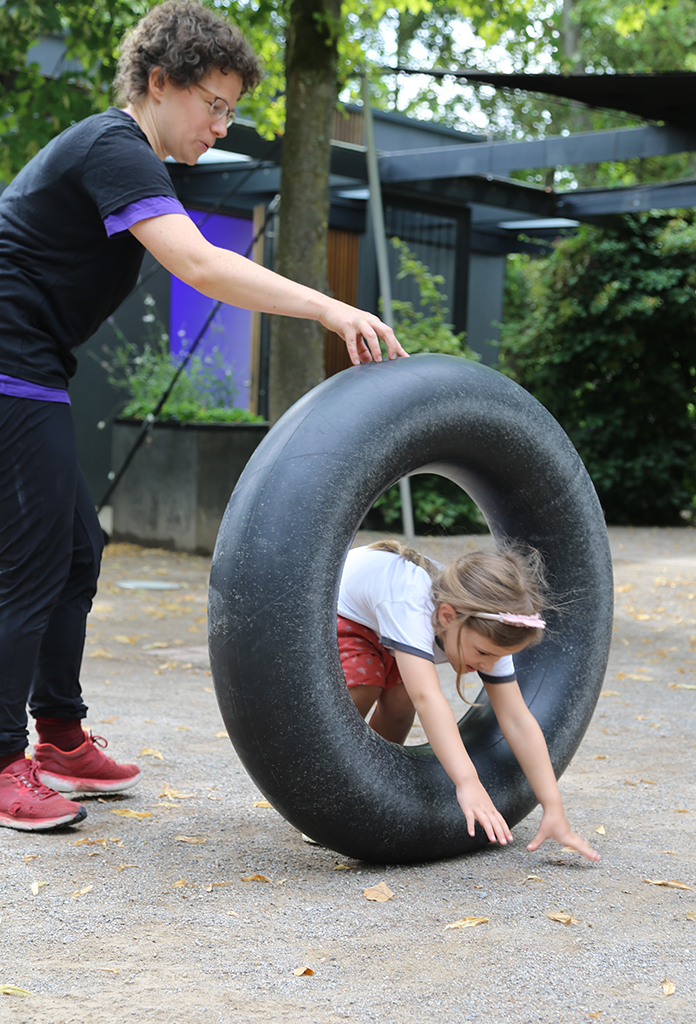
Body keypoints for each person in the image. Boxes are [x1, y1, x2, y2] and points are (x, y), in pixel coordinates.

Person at [0, 1, 407, 832]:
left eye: (231, 109)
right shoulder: (116, 145)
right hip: (9, 361)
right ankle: (6, 759)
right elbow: (198, 264)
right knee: (37, 559)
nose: (221, 125)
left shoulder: (129, 159)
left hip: (30, 365)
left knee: (79, 547)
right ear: (159, 83)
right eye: (213, 105)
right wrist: (330, 309)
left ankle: (61, 737)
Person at [337, 540, 600, 862]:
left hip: (384, 624)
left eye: (496, 657)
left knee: (401, 699)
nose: (488, 666)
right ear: (447, 616)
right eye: (484, 654)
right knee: (366, 681)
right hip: (340, 612)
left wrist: (552, 805)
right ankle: (326, 788)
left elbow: (517, 719)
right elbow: (429, 697)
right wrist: (467, 782)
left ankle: (362, 787)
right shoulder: (409, 601)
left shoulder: (490, 631)